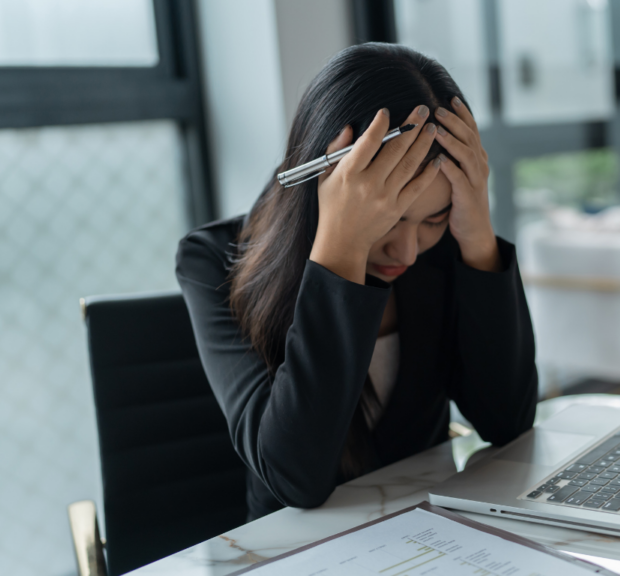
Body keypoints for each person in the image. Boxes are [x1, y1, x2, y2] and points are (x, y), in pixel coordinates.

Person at [175, 43, 538, 520]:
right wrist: (339, 247)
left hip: (434, 532)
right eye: (391, 219)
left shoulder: (448, 246)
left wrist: (476, 236)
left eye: (434, 219)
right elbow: (294, 478)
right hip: (295, 551)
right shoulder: (211, 261)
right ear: (326, 185)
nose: (407, 251)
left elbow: (506, 421)